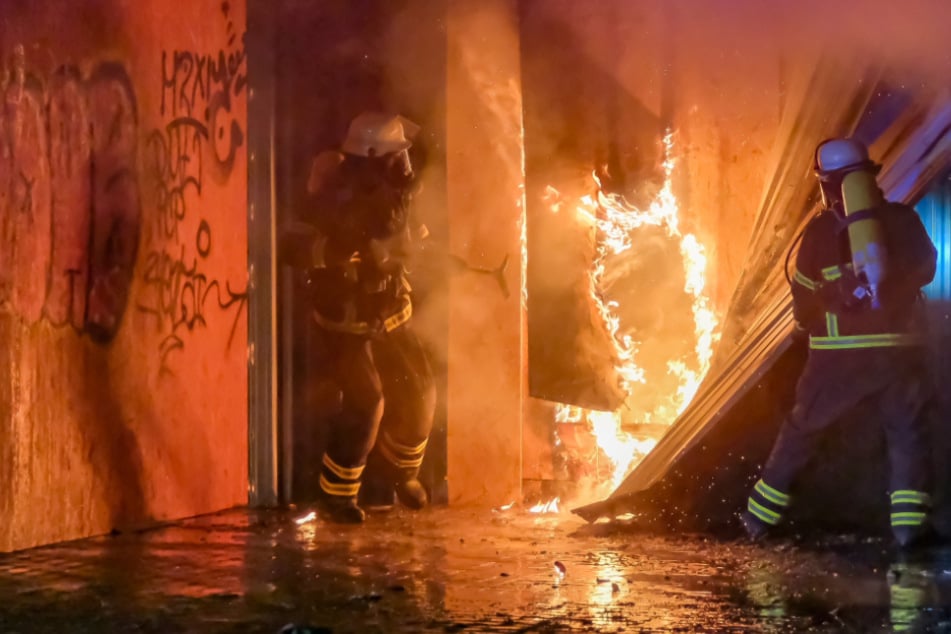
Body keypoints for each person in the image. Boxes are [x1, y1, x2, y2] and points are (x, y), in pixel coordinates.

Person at [741, 137, 938, 548]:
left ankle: (757, 522)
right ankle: (907, 533)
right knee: (906, 436)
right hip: (900, 353)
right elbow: (926, 268)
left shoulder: (818, 232)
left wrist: (825, 306)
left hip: (838, 358)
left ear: (829, 185)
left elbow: (803, 302)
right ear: (870, 177)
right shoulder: (904, 220)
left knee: (801, 431)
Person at [295, 111, 436, 524]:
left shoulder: (397, 193)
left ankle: (402, 472)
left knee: (422, 388)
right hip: (346, 320)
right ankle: (337, 496)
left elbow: (409, 236)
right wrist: (344, 252)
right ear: (375, 158)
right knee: (367, 401)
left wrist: (413, 248)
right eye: (397, 157)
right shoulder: (333, 196)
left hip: (390, 310)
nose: (404, 164)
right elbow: (296, 244)